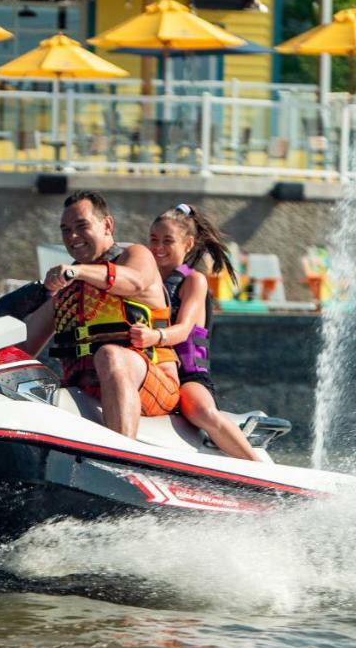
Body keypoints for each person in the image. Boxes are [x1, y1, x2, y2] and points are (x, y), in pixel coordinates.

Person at [21, 191, 180, 439]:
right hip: (87, 387)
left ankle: (122, 456)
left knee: (109, 354)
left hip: (155, 383)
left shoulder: (135, 256)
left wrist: (78, 272)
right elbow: (25, 344)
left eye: (81, 226)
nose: (72, 236)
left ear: (107, 225)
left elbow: (135, 282)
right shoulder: (70, 287)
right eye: (65, 230)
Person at [130, 204, 262, 462]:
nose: (158, 247)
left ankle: (262, 472)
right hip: (153, 369)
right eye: (153, 240)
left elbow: (183, 329)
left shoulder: (194, 281)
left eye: (168, 241)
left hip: (188, 376)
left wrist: (155, 337)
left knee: (201, 410)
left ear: (188, 244)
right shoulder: (143, 280)